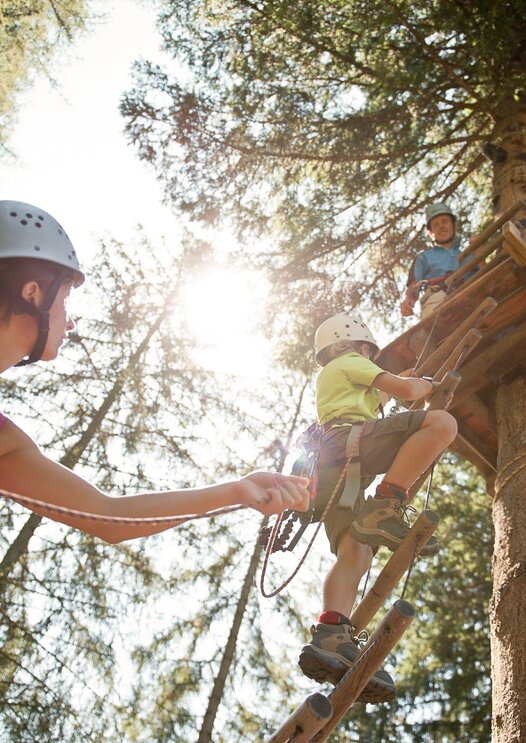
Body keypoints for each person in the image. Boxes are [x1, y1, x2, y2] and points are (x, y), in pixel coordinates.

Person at [0, 200, 310, 543]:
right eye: (67, 298)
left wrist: (235, 491)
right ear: (32, 293)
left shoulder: (6, 443)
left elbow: (108, 517)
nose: (70, 322)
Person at [298, 312, 457, 703]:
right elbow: (405, 391)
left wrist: (403, 384)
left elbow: (384, 394)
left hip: (334, 468)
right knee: (441, 424)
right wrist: (425, 384)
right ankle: (387, 503)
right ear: (354, 346)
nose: (372, 357)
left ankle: (331, 634)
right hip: (352, 446)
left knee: (356, 551)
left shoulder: (339, 376)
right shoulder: (348, 362)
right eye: (369, 351)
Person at [400, 202, 468, 319]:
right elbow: (414, 285)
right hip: (437, 296)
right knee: (434, 324)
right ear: (431, 232)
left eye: (444, 221)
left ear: (454, 225)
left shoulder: (470, 253)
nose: (441, 226)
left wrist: (479, 249)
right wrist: (408, 300)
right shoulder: (424, 257)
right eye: (436, 224)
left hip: (471, 295)